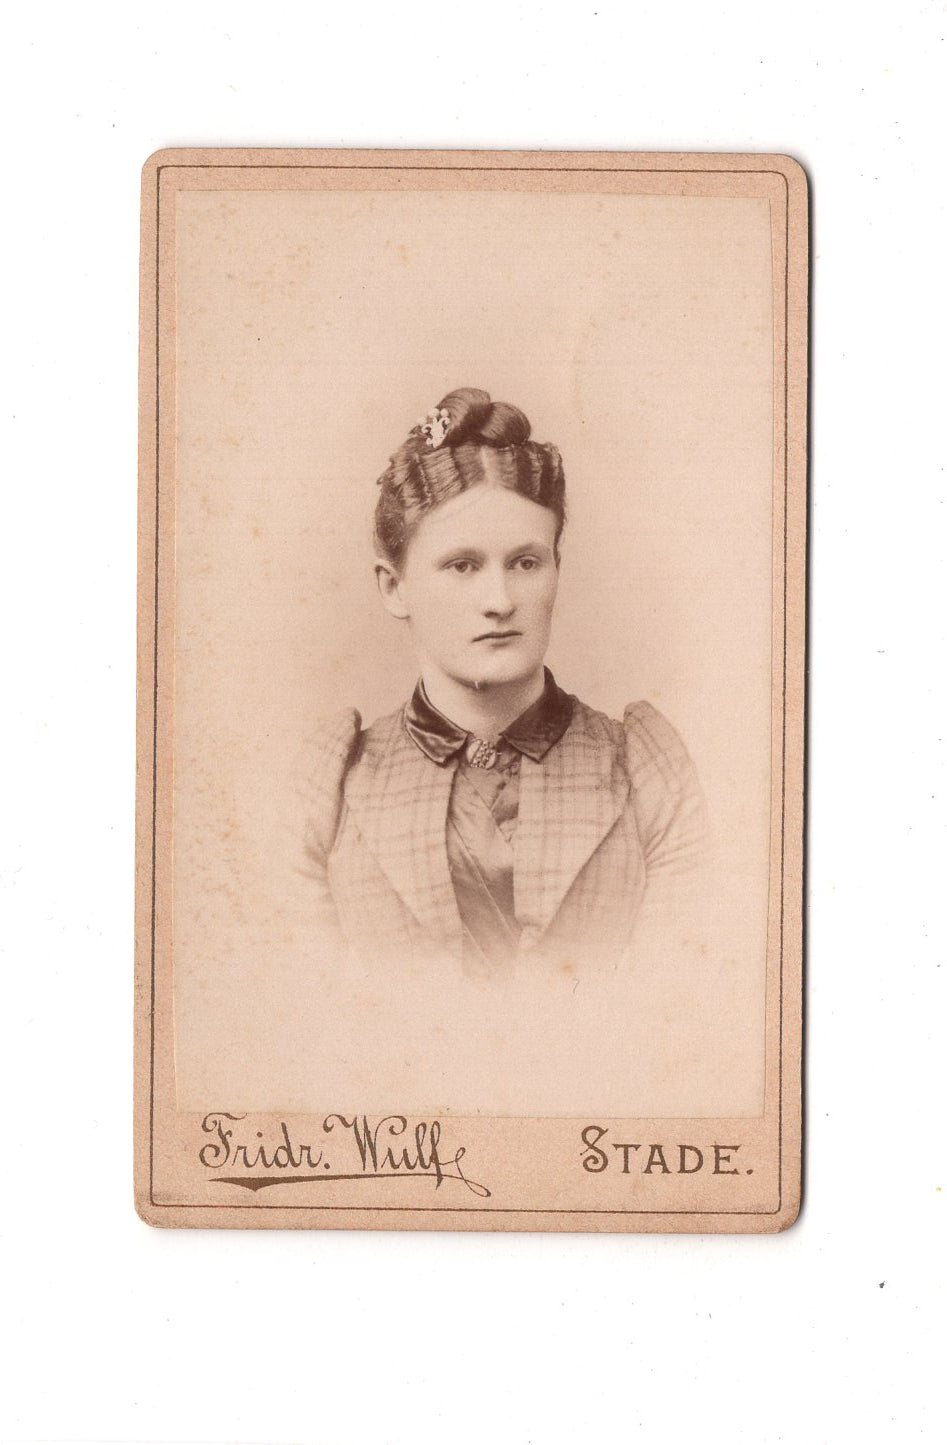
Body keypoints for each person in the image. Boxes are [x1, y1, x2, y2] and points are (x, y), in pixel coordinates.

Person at [295, 388, 706, 973]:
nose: (500, 600)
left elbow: (679, 991)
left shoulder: (645, 771)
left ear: (556, 569)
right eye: (462, 566)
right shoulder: (335, 784)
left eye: (526, 562)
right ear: (394, 587)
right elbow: (310, 997)